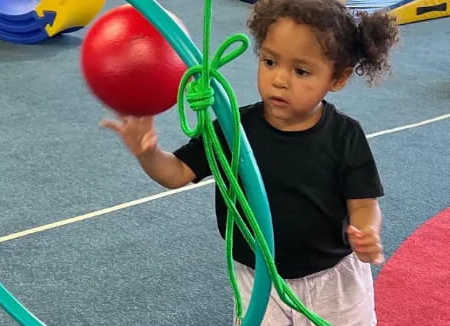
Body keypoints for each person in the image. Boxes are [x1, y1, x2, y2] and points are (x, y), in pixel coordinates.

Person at [102, 0, 400, 324]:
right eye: (270, 61)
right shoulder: (233, 128)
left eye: (301, 71)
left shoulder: (345, 135)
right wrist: (148, 154)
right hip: (259, 281)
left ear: (338, 78)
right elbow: (176, 173)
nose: (280, 80)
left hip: (333, 281)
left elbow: (363, 203)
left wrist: (366, 230)